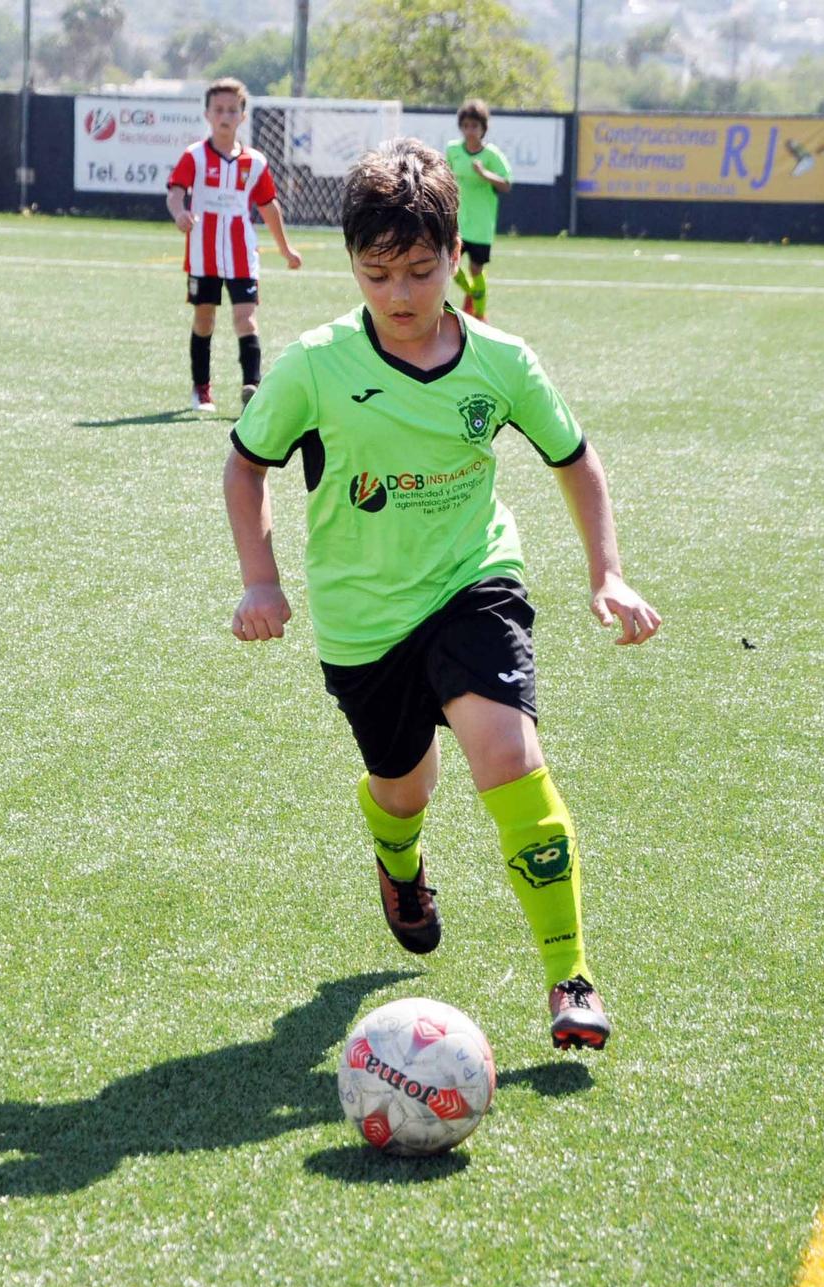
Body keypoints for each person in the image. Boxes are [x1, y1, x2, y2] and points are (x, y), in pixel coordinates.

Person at [224, 140, 660, 1050]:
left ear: (455, 257)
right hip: (360, 617)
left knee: (507, 753)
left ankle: (569, 977)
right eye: (378, 272)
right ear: (353, 265)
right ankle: (400, 860)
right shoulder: (313, 365)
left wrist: (606, 573)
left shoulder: (502, 363)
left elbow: (576, 462)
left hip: (473, 581)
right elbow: (246, 465)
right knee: (403, 785)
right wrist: (259, 578)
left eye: (421, 270)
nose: (401, 294)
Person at [166, 77, 302, 413]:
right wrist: (179, 212)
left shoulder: (254, 162)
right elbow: (175, 192)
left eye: (232, 110)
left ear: (242, 116)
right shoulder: (194, 156)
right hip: (203, 255)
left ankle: (251, 386)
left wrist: (285, 249)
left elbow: (269, 205)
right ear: (208, 115)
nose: (225, 115)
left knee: (246, 320)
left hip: (242, 254)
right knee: (204, 319)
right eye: (219, 110)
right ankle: (201, 389)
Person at [444, 99, 511, 321]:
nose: (470, 131)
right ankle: (473, 293)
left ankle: (481, 316)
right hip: (458, 222)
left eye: (475, 126)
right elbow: (443, 176)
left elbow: (506, 183)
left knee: (475, 269)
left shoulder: (491, 155)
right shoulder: (453, 150)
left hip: (482, 225)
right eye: (466, 126)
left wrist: (485, 174)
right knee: (447, 264)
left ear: (483, 129)